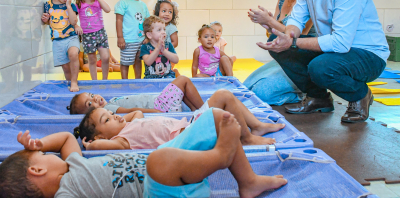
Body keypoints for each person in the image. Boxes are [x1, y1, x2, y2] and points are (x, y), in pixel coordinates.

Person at [252, 0, 389, 123]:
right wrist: (287, 37)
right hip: (338, 52)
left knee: (320, 67)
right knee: (278, 44)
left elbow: (341, 43)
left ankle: (360, 95)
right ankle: (319, 98)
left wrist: (292, 41)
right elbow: (297, 20)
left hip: (368, 55)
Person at [0, 115, 287, 198]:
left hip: (178, 175)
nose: (50, 153)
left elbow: (63, 138)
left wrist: (39, 144)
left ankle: (248, 182)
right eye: (43, 154)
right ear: (36, 171)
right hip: (161, 190)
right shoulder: (66, 194)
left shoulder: (73, 163)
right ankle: (222, 155)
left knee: (216, 117)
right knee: (156, 160)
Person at [74, 89, 284, 151]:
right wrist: (92, 144)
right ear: (102, 135)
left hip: (190, 123)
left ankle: (256, 126)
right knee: (222, 104)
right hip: (188, 137)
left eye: (110, 113)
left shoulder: (131, 123)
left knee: (224, 95)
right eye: (107, 119)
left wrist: (115, 118)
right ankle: (246, 138)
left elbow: (134, 114)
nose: (114, 115)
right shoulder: (122, 141)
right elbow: (103, 145)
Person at [245, 0, 316, 105]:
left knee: (260, 94)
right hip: (285, 58)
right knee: (246, 87)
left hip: (302, 61)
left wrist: (270, 21)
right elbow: (276, 34)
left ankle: (306, 94)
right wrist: (267, 25)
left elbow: (297, 36)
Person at [68, 75, 204, 114]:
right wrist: (156, 112)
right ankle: (205, 110)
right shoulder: (107, 109)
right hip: (160, 106)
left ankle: (195, 111)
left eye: (92, 95)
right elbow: (131, 111)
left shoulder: (110, 103)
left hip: (160, 104)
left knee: (181, 89)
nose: (96, 98)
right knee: (183, 81)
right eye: (90, 103)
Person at [41, 0, 82, 92]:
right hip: (57, 40)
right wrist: (46, 20)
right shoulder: (48, 5)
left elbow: (74, 21)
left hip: (71, 37)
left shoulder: (71, 5)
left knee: (73, 54)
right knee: (65, 66)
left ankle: (74, 81)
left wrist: (68, 6)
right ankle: (70, 83)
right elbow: (52, 22)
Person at [76, 0, 111, 80]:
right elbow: (72, 17)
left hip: (100, 32)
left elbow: (108, 10)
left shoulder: (97, 2)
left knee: (105, 57)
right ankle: (94, 81)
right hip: (87, 35)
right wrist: (76, 26)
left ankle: (105, 80)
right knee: (92, 60)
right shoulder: (79, 3)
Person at [115, 0, 150, 79]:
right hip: (127, 40)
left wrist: (147, 37)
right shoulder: (122, 3)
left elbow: (148, 22)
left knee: (138, 60)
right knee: (125, 62)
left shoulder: (143, 5)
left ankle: (138, 80)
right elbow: (119, 21)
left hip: (141, 40)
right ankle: (124, 82)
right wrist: (120, 37)